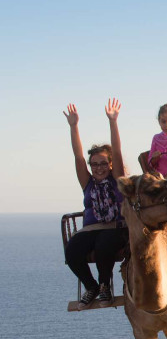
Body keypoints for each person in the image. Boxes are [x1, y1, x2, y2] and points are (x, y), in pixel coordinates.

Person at [63, 99, 129, 309]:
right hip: (92, 229)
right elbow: (78, 156)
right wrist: (74, 126)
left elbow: (117, 152)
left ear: (110, 165)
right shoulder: (88, 183)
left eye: (103, 164)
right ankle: (91, 286)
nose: (98, 168)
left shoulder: (117, 179)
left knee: (104, 246)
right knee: (72, 250)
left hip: (115, 228)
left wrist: (113, 122)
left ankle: (104, 286)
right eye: (94, 165)